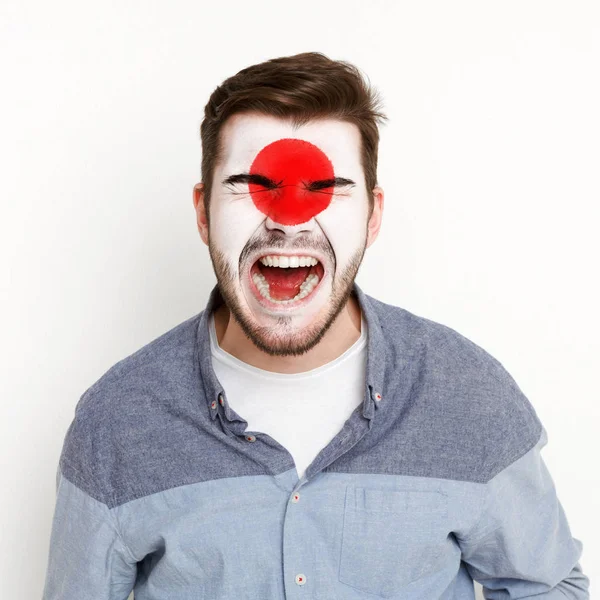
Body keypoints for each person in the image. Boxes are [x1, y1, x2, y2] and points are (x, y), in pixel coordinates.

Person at [42, 52, 590, 599]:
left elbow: (546, 586)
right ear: (204, 213)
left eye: (325, 187)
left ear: (372, 216)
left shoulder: (468, 393)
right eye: (251, 183)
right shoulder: (115, 420)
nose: (286, 219)